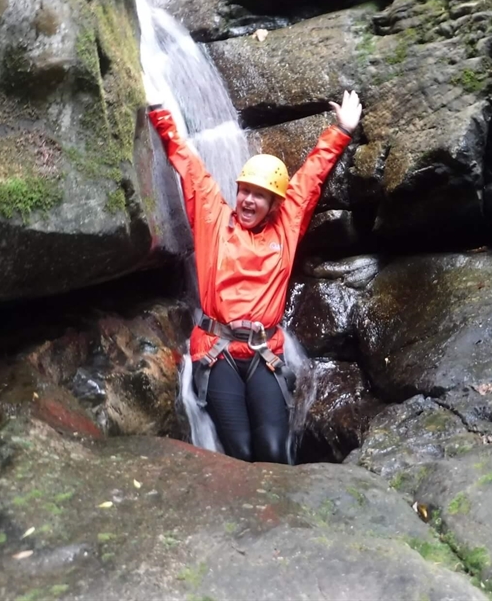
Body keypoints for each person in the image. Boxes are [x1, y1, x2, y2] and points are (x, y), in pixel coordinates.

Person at [147, 91, 362, 464]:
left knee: (274, 452)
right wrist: (159, 112)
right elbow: (188, 165)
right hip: (218, 350)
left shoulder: (286, 226)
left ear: (275, 204)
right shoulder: (214, 220)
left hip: (263, 352)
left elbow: (311, 178)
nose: (247, 200)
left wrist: (341, 130)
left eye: (259, 196)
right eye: (244, 191)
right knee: (241, 453)